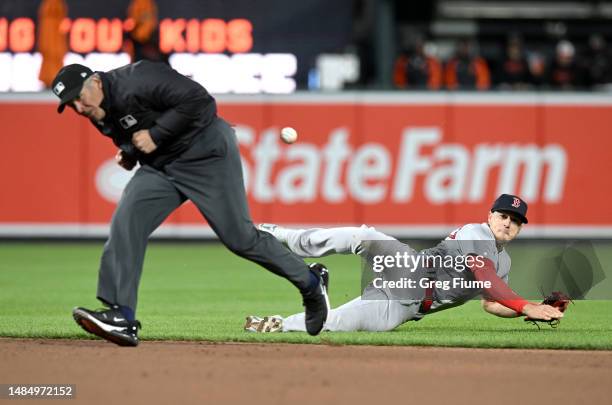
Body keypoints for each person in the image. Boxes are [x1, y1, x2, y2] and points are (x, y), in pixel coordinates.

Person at [51, 62, 329, 346]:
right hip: (163, 168)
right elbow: (132, 132)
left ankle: (310, 282)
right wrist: (130, 153)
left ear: (96, 81)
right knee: (126, 222)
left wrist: (156, 135)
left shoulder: (139, 79)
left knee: (240, 238)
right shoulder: (95, 111)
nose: (78, 106)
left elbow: (201, 102)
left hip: (206, 154)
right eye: (69, 104)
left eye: (78, 96)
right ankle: (121, 315)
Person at [244, 194, 564, 333]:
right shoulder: (475, 232)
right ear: (490, 216)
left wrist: (535, 307)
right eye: (503, 216)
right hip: (407, 268)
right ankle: (285, 236)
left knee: (338, 322)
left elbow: (492, 305)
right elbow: (484, 276)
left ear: (521, 228)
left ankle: (276, 324)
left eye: (516, 221)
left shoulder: (503, 262)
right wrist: (526, 306)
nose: (508, 223)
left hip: (406, 307)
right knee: (363, 235)